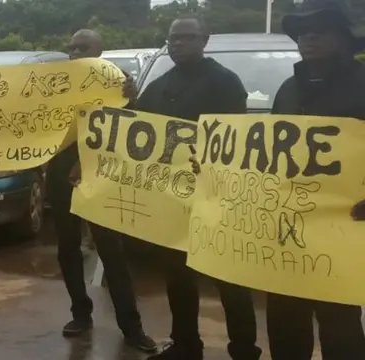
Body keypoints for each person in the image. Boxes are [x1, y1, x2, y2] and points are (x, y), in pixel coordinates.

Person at [123, 15, 261, 360]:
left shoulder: (225, 82)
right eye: (172, 38)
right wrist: (124, 98)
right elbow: (136, 129)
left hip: (217, 198)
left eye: (187, 37)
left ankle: (244, 350)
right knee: (177, 277)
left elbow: (235, 138)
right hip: (173, 201)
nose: (178, 43)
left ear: (204, 40)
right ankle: (186, 344)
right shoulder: (158, 85)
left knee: (229, 280)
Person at [48, 29, 158, 353]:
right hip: (59, 175)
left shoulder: (117, 81)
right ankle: (80, 314)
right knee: (67, 248)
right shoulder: (55, 81)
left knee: (111, 251)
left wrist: (133, 95)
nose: (76, 52)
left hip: (101, 174)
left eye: (83, 47)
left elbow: (130, 124)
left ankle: (132, 327)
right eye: (72, 47)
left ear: (100, 51)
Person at [267, 1, 365, 359]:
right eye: (302, 30)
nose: (308, 36)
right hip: (288, 225)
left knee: (339, 322)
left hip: (345, 225)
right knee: (284, 316)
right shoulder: (287, 89)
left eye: (319, 29)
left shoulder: (362, 85)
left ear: (341, 38)